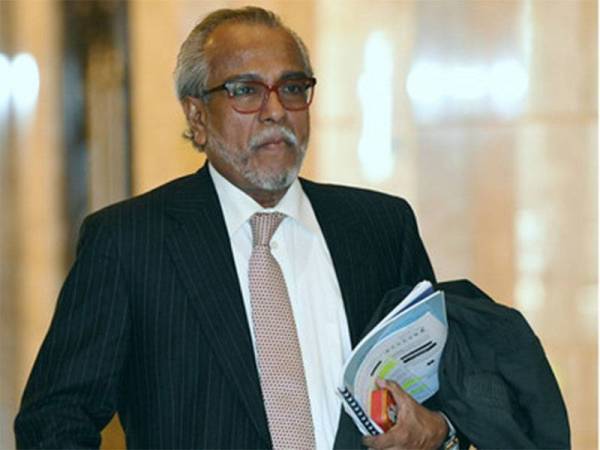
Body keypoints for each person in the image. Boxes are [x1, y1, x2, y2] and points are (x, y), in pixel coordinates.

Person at [15, 7, 456, 450]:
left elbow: (448, 391)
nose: (276, 111)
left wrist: (442, 430)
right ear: (197, 117)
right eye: (246, 91)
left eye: (292, 88)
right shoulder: (130, 242)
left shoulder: (380, 227)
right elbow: (54, 420)